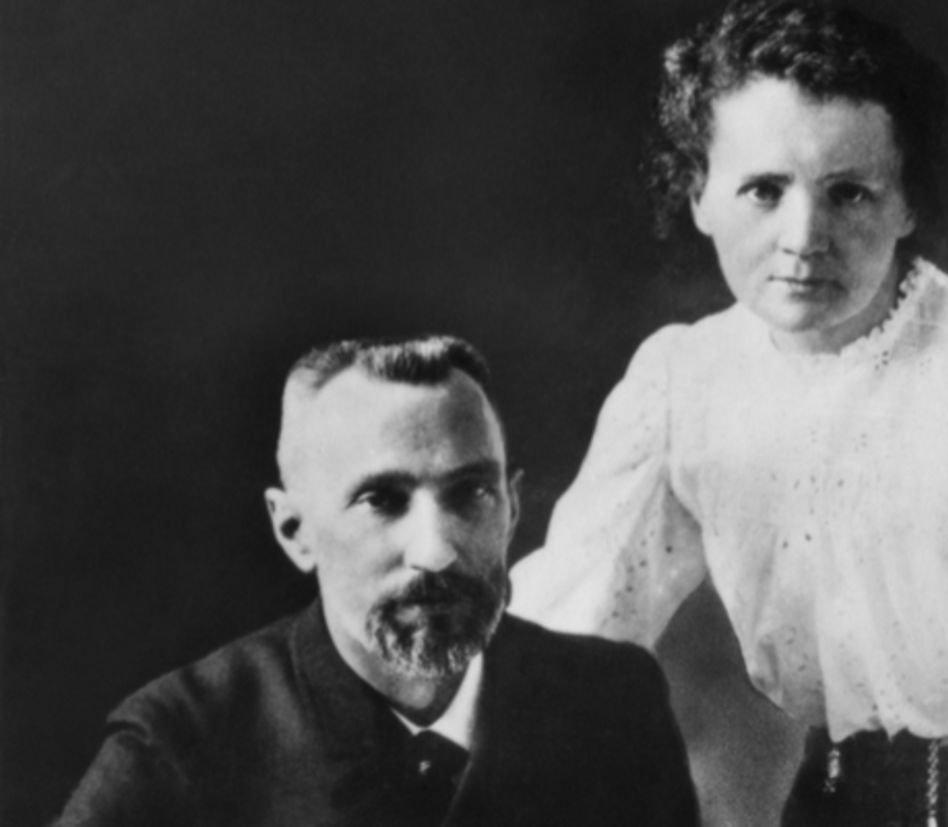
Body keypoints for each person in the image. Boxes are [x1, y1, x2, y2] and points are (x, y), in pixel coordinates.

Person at [509, 1, 948, 825]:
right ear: (698, 193)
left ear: (907, 203)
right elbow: (564, 636)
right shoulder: (682, 383)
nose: (804, 235)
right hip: (842, 797)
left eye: (849, 193)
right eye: (764, 190)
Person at [56, 336, 700, 827]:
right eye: (382, 501)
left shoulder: (613, 705)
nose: (435, 551)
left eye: (471, 493)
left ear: (512, 509)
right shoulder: (182, 741)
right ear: (294, 530)